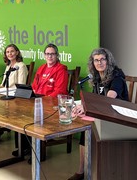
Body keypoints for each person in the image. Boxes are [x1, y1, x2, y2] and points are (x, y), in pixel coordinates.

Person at [68, 47, 129, 180]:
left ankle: (95, 170)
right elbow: (95, 99)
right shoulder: (96, 78)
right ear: (93, 63)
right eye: (96, 60)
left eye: (102, 59)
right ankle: (82, 170)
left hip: (117, 117)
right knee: (85, 130)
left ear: (108, 61)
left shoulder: (117, 76)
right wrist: (82, 106)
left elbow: (108, 99)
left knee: (89, 129)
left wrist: (87, 107)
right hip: (103, 114)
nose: (99, 63)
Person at [12, 43, 68, 157]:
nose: (50, 56)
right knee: (21, 114)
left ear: (57, 55)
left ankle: (37, 153)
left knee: (35, 117)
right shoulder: (41, 68)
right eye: (47, 54)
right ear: (44, 55)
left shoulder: (61, 69)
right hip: (38, 101)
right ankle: (24, 148)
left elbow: (60, 91)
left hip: (52, 104)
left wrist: (43, 100)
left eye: (52, 54)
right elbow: (34, 86)